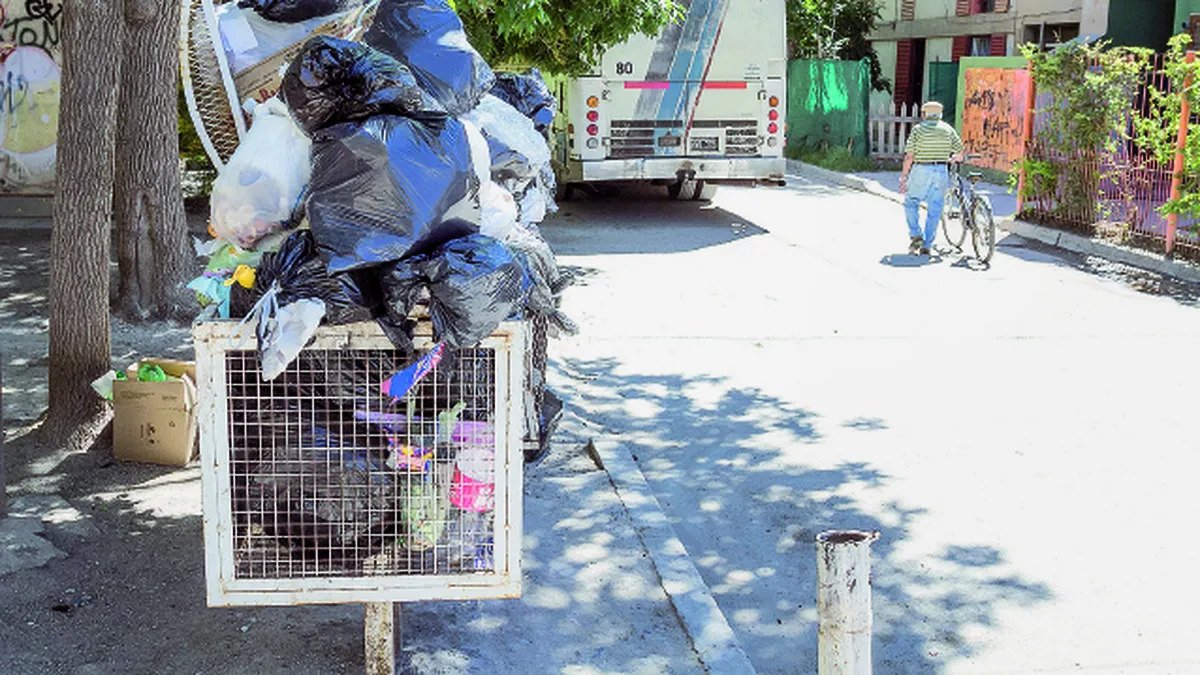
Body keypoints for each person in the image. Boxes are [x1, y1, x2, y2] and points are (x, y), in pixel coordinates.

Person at [898, 101, 964, 256]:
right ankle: (927, 245)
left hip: (921, 169)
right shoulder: (948, 129)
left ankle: (916, 235)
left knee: (911, 202)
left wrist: (904, 177)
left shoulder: (918, 130)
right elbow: (960, 152)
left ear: (924, 114)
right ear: (940, 114)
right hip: (941, 171)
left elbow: (909, 156)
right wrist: (953, 158)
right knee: (935, 209)